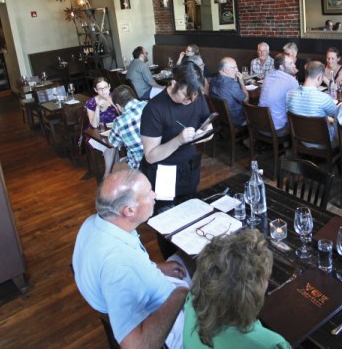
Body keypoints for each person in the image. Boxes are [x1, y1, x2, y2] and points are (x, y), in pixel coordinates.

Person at [72, 170, 190, 349]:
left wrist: (155, 267)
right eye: (148, 193)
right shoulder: (119, 266)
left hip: (156, 291)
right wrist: (180, 294)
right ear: (129, 210)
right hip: (170, 328)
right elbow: (136, 346)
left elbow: (130, 262)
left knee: (191, 258)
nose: (154, 195)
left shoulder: (94, 223)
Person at [183, 229, 291, 349]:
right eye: (265, 278)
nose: (267, 282)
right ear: (248, 295)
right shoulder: (270, 344)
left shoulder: (191, 301)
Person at [140, 61, 212, 196]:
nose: (190, 100)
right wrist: (178, 140)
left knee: (189, 206)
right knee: (166, 212)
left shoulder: (196, 97)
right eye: (186, 96)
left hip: (189, 167)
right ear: (173, 84)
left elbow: (208, 126)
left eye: (195, 96)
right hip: (163, 171)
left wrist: (204, 134)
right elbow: (150, 156)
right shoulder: (154, 109)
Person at [286, 60, 338, 146]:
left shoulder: (290, 94)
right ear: (319, 78)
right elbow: (336, 116)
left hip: (300, 139)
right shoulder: (323, 98)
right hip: (324, 143)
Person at [258, 53, 299, 136]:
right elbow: (298, 105)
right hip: (277, 130)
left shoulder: (268, 77)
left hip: (260, 126)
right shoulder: (291, 80)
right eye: (291, 63)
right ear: (281, 67)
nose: (294, 65)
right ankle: (291, 146)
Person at [109, 85, 148, 169]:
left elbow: (113, 143)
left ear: (118, 106)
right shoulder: (149, 105)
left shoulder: (119, 122)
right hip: (163, 159)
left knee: (115, 167)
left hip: (139, 167)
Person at [209, 57, 248, 127]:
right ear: (225, 70)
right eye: (234, 67)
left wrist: (235, 81)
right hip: (237, 120)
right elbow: (246, 100)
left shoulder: (213, 80)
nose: (237, 70)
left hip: (221, 118)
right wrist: (241, 82)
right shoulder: (232, 85)